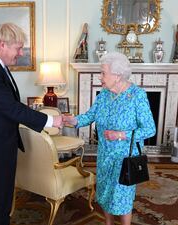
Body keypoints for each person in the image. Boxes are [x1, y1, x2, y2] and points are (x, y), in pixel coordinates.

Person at [0, 23, 62, 225]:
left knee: (2, 197)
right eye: (18, 48)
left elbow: (10, 105)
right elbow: (10, 107)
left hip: (0, 143)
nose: (20, 53)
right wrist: (51, 120)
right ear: (2, 44)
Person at [63, 52, 156, 225]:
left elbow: (150, 129)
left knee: (122, 197)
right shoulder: (104, 95)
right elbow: (90, 116)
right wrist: (73, 120)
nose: (100, 77)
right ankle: (108, 223)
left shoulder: (137, 96)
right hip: (105, 155)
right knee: (105, 192)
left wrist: (121, 135)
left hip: (125, 158)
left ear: (118, 75)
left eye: (103, 73)